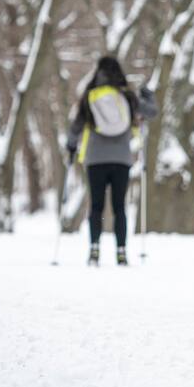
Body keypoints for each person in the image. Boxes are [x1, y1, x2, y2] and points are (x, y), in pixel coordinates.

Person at [66, 56, 159, 266]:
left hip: (95, 159)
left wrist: (71, 146)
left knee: (96, 206)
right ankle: (121, 252)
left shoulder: (89, 96)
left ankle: (94, 250)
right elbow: (151, 112)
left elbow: (76, 127)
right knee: (119, 207)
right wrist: (148, 95)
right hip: (121, 158)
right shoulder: (126, 96)